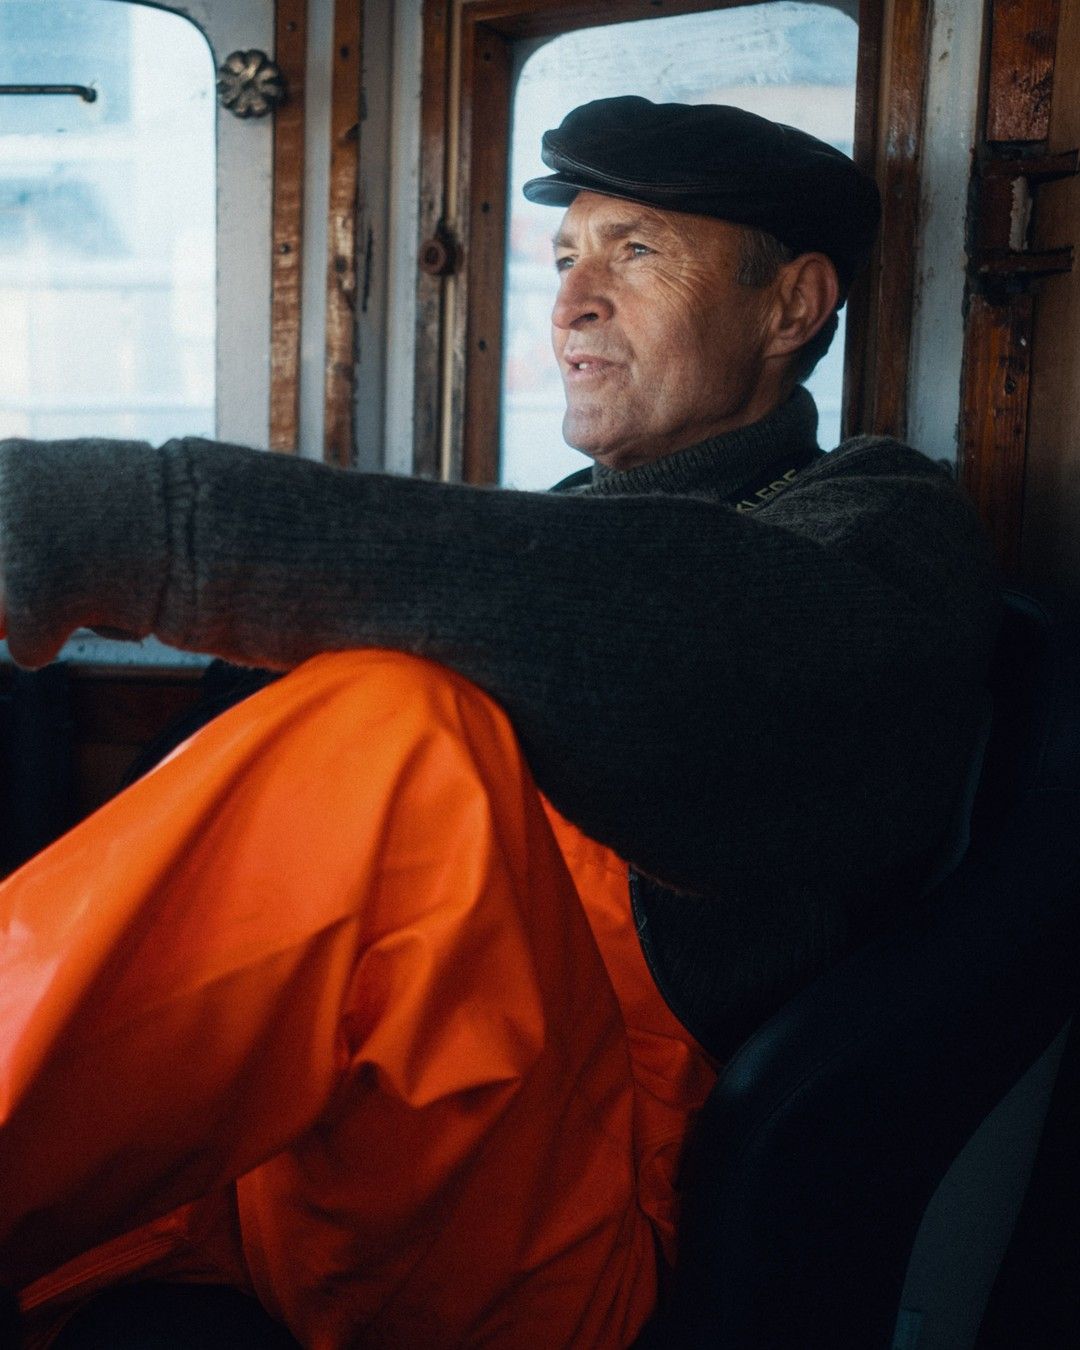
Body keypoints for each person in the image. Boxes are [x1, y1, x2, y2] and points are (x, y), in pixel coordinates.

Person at [0, 98, 1000, 1347]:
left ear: (791, 308)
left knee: (402, 733)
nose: (572, 300)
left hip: (564, 1206)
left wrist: (114, 523)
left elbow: (683, 648)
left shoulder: (875, 526)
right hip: (308, 1141)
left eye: (633, 251)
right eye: (565, 255)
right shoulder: (565, 527)